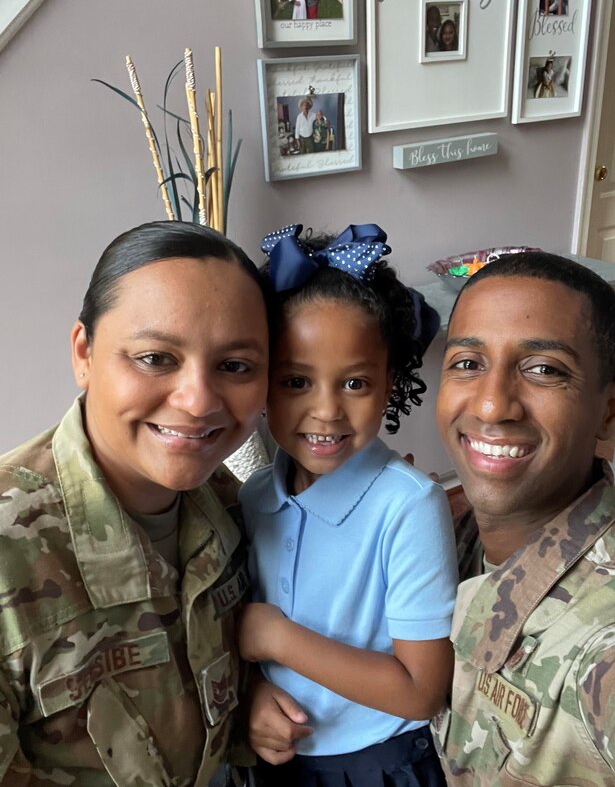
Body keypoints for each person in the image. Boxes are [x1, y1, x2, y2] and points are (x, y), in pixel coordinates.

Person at [0, 221, 270, 786]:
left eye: (235, 366)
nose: (198, 401)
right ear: (84, 354)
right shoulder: (11, 551)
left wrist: (256, 707)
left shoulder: (231, 506)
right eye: (155, 358)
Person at [238, 223, 459, 786]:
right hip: (281, 762)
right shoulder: (254, 497)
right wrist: (258, 693)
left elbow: (422, 691)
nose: (327, 411)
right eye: (296, 382)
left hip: (377, 767)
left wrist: (275, 636)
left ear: (390, 384)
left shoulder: (410, 507)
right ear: (262, 384)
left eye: (355, 384)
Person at [433, 251, 615, 785]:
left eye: (544, 370)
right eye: (468, 362)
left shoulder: (599, 652)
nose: (492, 406)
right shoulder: (450, 534)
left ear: (608, 416)